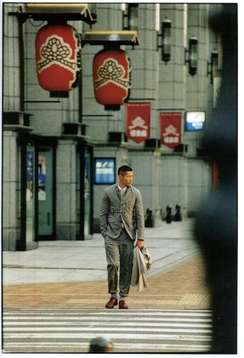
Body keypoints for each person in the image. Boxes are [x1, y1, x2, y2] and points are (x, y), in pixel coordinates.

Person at [100, 165, 145, 309]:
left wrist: (141, 238)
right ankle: (113, 295)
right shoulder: (108, 192)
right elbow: (103, 214)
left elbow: (139, 216)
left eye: (132, 176)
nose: (131, 179)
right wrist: (104, 233)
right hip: (111, 236)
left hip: (128, 236)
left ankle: (123, 298)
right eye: (128, 176)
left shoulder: (136, 193)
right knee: (113, 265)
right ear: (120, 176)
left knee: (126, 267)